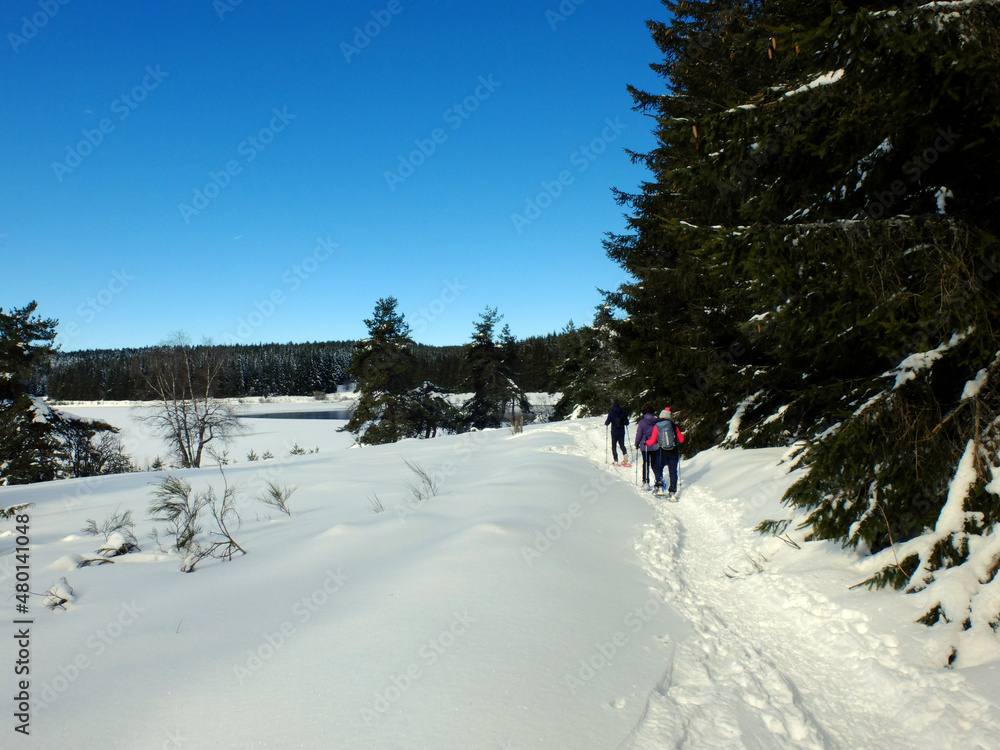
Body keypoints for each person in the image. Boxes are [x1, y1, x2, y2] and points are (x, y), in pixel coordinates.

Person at [653, 407, 684, 497]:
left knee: (658, 467)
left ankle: (660, 487)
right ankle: (673, 491)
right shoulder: (674, 426)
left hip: (661, 452)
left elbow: (652, 440)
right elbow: (681, 439)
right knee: (672, 471)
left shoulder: (657, 426)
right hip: (673, 452)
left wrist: (646, 442)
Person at [633, 404, 660, 489]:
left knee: (646, 463)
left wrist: (636, 443)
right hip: (655, 445)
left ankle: (646, 482)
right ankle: (658, 480)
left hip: (645, 446)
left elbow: (639, 434)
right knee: (654, 464)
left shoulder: (642, 422)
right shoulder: (657, 421)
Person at [604, 399, 630, 466]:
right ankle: (625, 454)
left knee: (614, 446)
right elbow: (627, 422)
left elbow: (607, 422)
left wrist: (606, 423)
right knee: (622, 444)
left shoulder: (611, 412)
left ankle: (616, 460)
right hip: (621, 432)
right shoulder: (623, 412)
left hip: (614, 432)